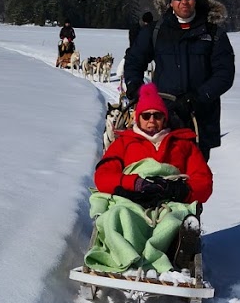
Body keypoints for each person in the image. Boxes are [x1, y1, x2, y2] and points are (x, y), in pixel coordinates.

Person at [85, 84, 212, 278]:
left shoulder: (183, 144)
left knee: (173, 220)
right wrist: (134, 184)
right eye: (146, 115)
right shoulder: (124, 143)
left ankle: (180, 251)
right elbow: (103, 176)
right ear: (138, 118)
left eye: (157, 115)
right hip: (131, 199)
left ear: (164, 118)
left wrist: (178, 189)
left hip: (170, 201)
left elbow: (204, 182)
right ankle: (130, 256)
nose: (152, 120)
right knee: (118, 215)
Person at [122, 0, 234, 160]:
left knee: (195, 178)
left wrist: (198, 97)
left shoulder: (213, 33)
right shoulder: (156, 31)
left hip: (199, 118)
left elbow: (224, 74)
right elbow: (134, 60)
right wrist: (135, 87)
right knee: (161, 174)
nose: (184, 1)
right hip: (162, 119)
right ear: (170, 1)